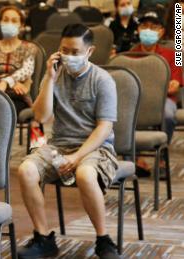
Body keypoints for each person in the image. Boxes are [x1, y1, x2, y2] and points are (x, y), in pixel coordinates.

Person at [17, 24, 120, 259]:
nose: (69, 56)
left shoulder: (102, 80)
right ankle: (43, 238)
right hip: (59, 145)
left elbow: (104, 128)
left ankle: (104, 240)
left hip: (96, 148)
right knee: (26, 170)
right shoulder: (55, 75)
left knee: (84, 174)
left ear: (90, 51)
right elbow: (41, 116)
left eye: (75, 52)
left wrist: (77, 157)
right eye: (65, 50)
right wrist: (48, 78)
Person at [131, 11, 183, 174]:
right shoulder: (128, 55)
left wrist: (152, 89)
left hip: (164, 101)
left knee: (168, 115)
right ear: (138, 30)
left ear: (161, 31)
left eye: (153, 27)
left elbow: (174, 87)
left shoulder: (175, 55)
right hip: (137, 99)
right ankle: (134, 159)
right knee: (123, 112)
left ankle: (162, 159)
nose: (148, 30)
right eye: (144, 26)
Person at [0, 6, 37, 114]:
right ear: (0, 22)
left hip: (18, 96)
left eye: (14, 21)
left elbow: (26, 71)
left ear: (21, 26)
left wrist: (6, 82)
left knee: (3, 110)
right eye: (6, 20)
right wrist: (12, 82)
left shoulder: (29, 48)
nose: (9, 23)